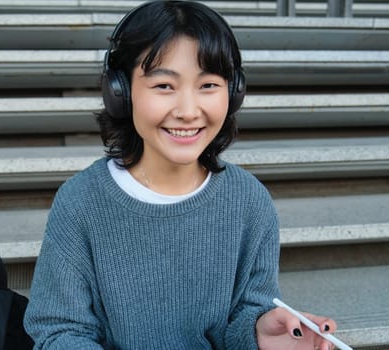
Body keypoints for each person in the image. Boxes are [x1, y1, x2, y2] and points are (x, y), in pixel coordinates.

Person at [23, 1, 339, 349]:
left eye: (208, 86)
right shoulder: (80, 202)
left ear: (233, 93)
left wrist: (261, 334)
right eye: (164, 86)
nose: (188, 112)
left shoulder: (249, 202)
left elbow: (247, 316)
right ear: (121, 92)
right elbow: (59, 332)